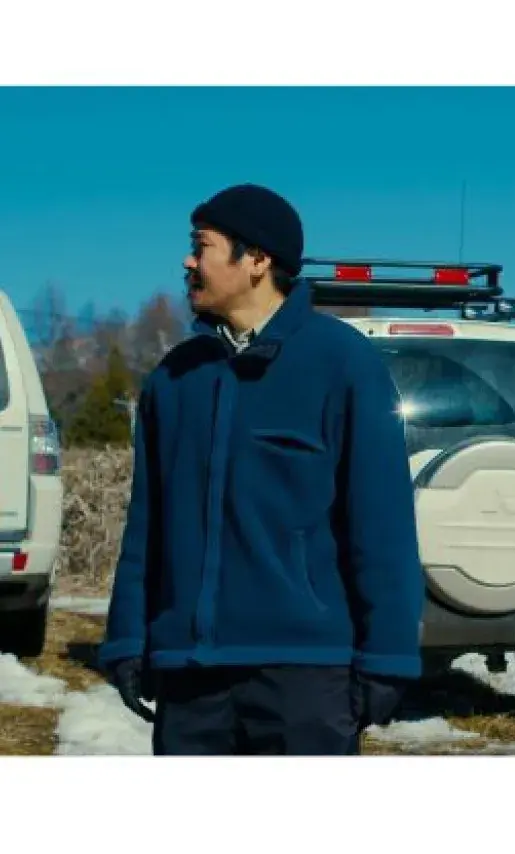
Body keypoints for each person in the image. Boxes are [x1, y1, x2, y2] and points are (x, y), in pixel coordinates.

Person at [98, 183, 425, 755]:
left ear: (256, 259)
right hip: (190, 677)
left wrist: (387, 659)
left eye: (201, 246)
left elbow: (383, 528)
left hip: (306, 680)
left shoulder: (343, 364)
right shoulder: (174, 380)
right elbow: (145, 529)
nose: (188, 262)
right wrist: (128, 638)